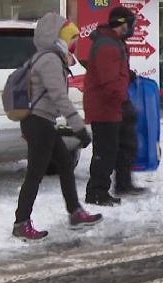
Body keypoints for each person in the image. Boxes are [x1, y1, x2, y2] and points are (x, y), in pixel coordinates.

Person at [13, 13, 102, 242]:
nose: (74, 43)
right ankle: (21, 223)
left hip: (42, 121)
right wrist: (78, 127)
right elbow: (59, 97)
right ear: (59, 37)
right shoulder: (50, 60)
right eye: (71, 38)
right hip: (38, 122)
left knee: (64, 163)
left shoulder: (49, 58)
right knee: (35, 173)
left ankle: (75, 212)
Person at [85, 6, 146, 206]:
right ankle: (97, 192)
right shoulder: (107, 46)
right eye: (130, 24)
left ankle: (123, 183)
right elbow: (109, 81)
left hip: (115, 104)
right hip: (106, 107)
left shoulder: (115, 43)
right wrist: (123, 100)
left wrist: (128, 76)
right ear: (122, 24)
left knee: (124, 145)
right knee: (105, 151)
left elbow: (117, 73)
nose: (132, 28)